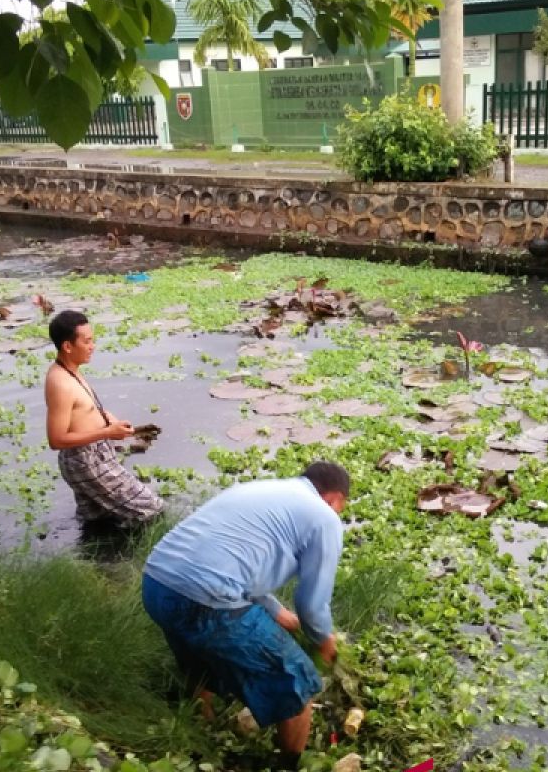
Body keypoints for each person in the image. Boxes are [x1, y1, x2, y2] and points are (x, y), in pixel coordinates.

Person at [142, 461, 349, 769]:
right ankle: (288, 764)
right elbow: (312, 604)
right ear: (335, 499)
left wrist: (277, 612)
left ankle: (200, 737)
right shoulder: (324, 518)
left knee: (199, 665)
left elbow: (231, 560)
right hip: (206, 602)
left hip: (157, 585)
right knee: (299, 684)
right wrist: (323, 639)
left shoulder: (259, 489)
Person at [44, 310, 163, 526]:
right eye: (87, 341)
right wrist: (107, 432)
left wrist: (109, 421)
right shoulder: (60, 382)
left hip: (95, 453)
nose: (93, 346)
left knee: (99, 522)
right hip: (85, 460)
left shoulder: (71, 369)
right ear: (67, 346)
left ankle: (95, 558)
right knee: (152, 510)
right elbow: (57, 440)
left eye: (93, 340)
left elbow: (82, 409)